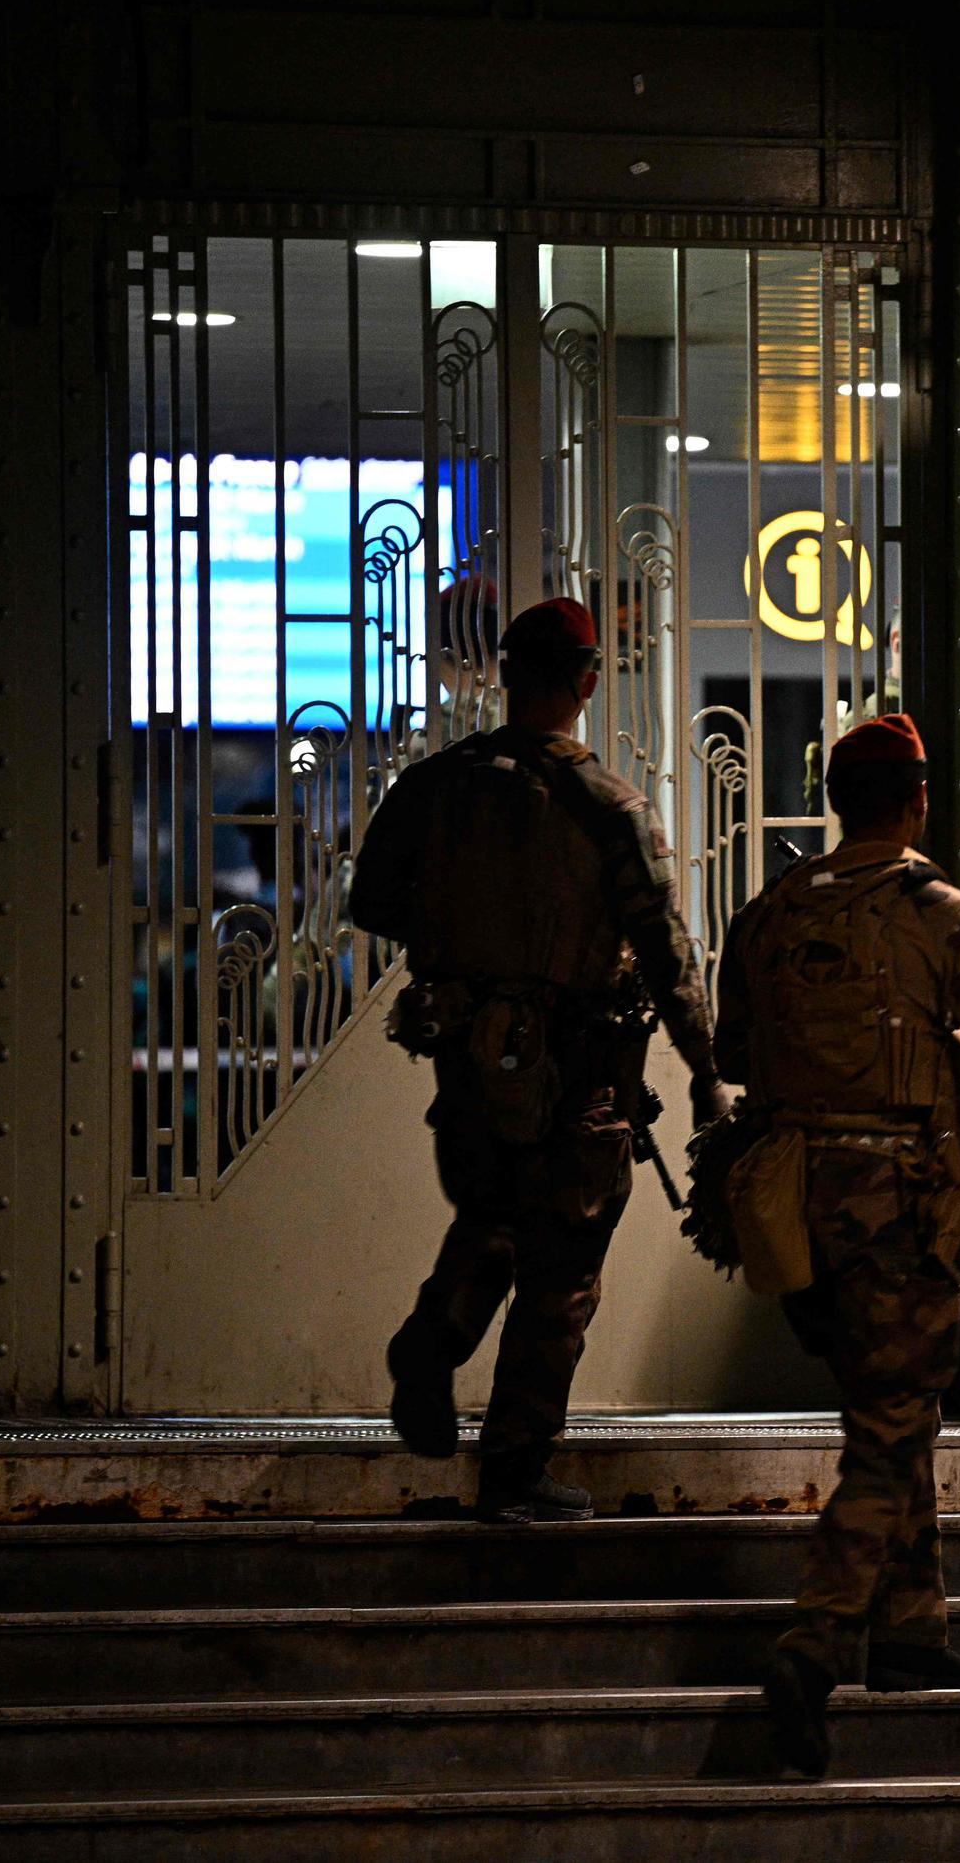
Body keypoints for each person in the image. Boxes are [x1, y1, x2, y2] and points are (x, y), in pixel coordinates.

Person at [711, 712, 960, 1781]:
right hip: (901, 1203)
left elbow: (733, 1051)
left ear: (836, 801)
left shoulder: (765, 915)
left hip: (800, 1206)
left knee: (893, 1406)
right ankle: (815, 1642)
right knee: (888, 1426)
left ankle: (911, 1629)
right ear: (916, 800)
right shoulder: (945, 914)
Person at [349, 595, 720, 1524]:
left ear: (507, 672)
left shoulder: (432, 787)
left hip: (469, 1057)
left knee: (493, 1214)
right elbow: (671, 957)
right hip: (581, 1071)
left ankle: (436, 1336)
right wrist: (708, 1073)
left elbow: (372, 903)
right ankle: (515, 1465)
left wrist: (469, 956)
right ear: (588, 681)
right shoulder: (608, 807)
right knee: (564, 1263)